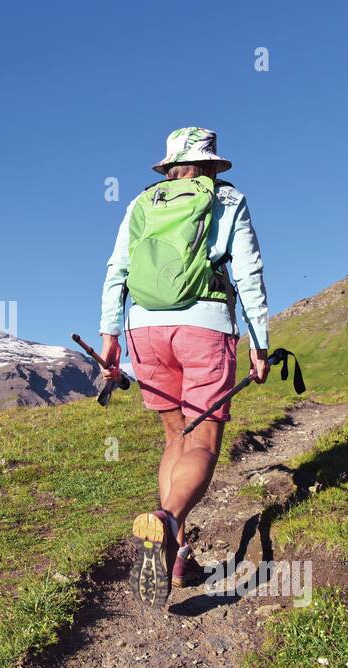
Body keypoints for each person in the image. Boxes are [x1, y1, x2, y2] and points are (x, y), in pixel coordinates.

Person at [99, 127, 270, 608]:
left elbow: (117, 269)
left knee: (175, 437)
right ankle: (169, 519)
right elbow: (248, 274)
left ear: (169, 166)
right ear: (212, 166)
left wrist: (110, 335)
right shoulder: (228, 201)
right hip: (204, 326)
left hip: (143, 331)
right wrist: (260, 343)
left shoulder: (141, 204)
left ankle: (176, 556)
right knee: (204, 440)